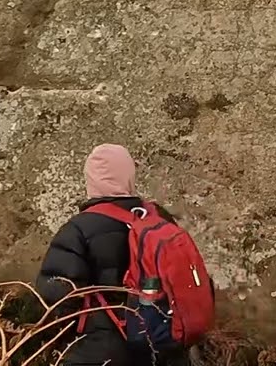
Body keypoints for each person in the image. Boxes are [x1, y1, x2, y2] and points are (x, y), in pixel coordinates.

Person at [34, 144, 186, 366]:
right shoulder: (159, 219)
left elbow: (56, 295)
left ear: (91, 181)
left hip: (103, 349)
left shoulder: (79, 229)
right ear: (129, 176)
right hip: (163, 340)